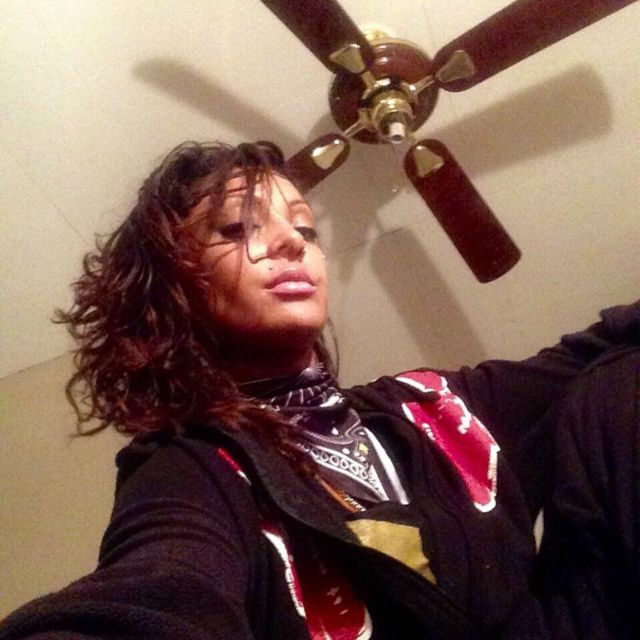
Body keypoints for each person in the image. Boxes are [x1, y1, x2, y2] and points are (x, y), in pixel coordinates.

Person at [0, 141, 637, 639]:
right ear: (173, 287)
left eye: (305, 230)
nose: (290, 242)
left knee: (617, 379)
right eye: (236, 229)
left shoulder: (430, 405)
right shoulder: (190, 469)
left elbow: (594, 349)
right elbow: (161, 585)